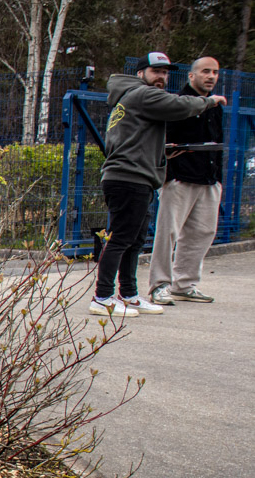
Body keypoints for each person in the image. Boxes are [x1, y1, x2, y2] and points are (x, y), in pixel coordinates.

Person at [92, 51, 227, 318]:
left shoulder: (133, 98)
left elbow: (132, 141)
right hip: (128, 177)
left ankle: (129, 294)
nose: (162, 77)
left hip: (137, 176)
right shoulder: (142, 94)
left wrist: (163, 153)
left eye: (165, 72)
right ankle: (102, 296)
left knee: (134, 240)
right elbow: (181, 106)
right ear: (140, 73)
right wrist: (209, 101)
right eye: (156, 71)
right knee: (121, 239)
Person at [149, 56, 224, 305]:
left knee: (202, 232)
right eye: (205, 71)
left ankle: (185, 284)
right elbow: (163, 141)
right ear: (191, 75)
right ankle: (160, 285)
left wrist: (217, 179)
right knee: (168, 233)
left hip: (208, 179)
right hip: (179, 179)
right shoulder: (178, 103)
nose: (211, 76)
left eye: (215, 72)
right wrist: (168, 175)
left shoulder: (216, 105)